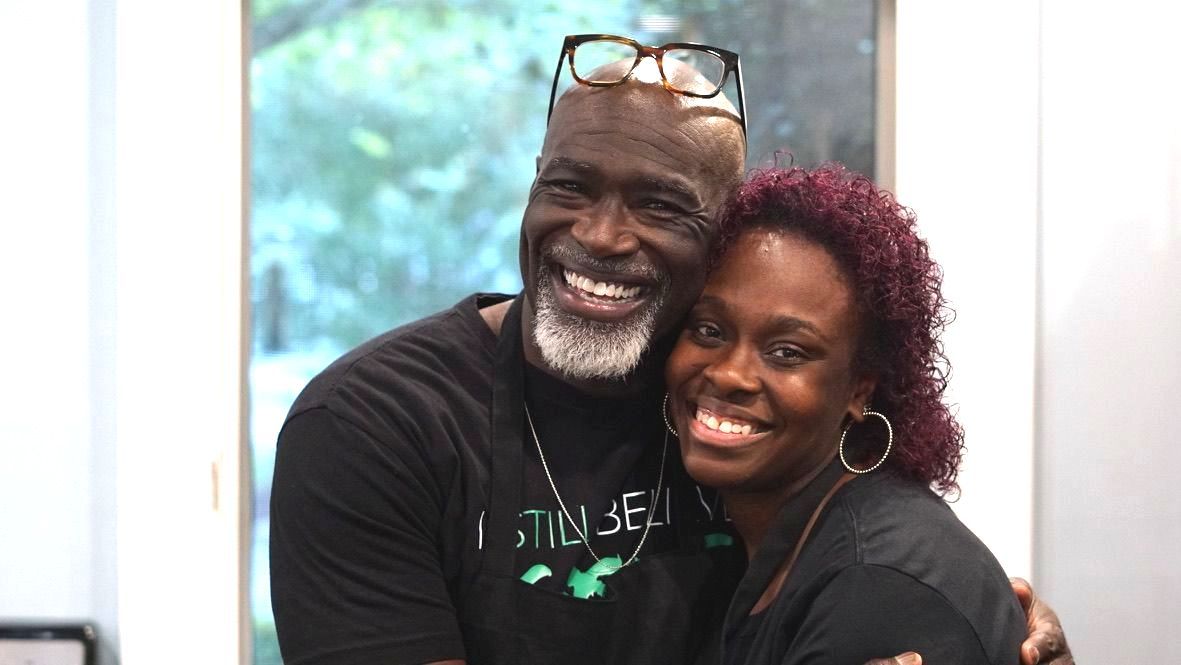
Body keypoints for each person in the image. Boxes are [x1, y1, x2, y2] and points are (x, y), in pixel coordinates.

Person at [269, 34, 1072, 665]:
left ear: (723, 234)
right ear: (534, 183)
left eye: (658, 204)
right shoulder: (374, 425)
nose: (600, 235)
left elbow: (896, 573)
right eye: (570, 185)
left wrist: (970, 618)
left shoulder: (724, 400)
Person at [663, 164, 1031, 664]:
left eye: (787, 352)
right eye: (709, 330)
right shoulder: (781, 534)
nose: (729, 374)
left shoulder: (877, 584)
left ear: (860, 390)